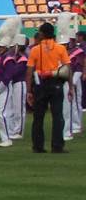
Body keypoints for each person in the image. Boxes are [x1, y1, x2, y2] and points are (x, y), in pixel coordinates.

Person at [27, 22, 70, 153]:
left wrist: (28, 90)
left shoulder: (35, 49)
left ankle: (38, 146)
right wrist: (71, 87)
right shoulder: (60, 48)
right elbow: (67, 68)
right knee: (57, 116)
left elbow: (29, 71)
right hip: (56, 83)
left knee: (38, 116)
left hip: (40, 84)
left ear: (42, 34)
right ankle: (57, 146)